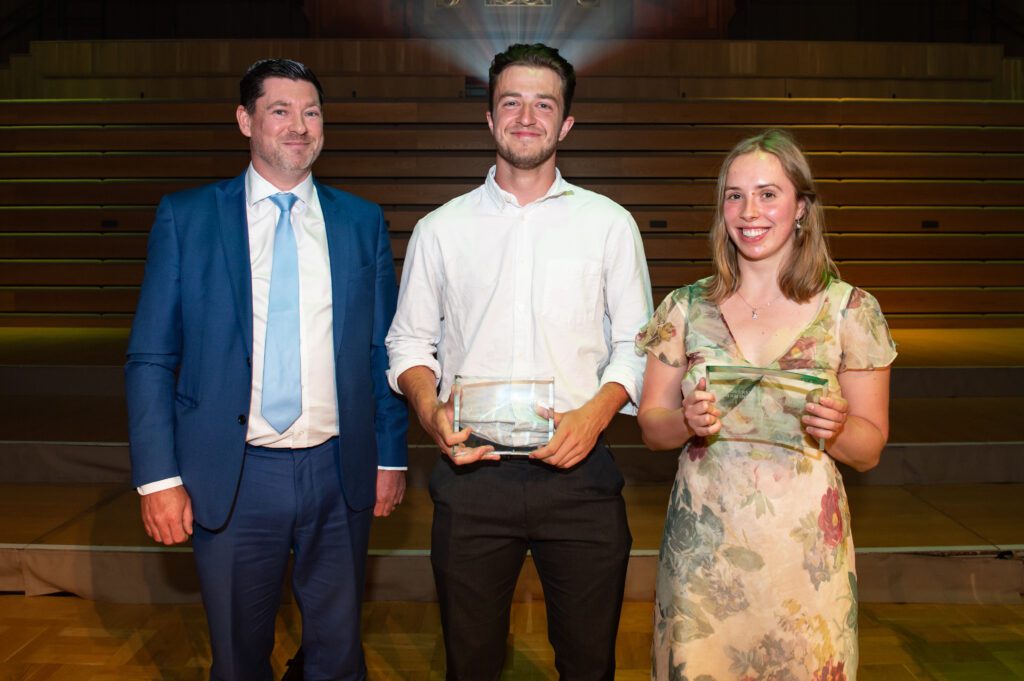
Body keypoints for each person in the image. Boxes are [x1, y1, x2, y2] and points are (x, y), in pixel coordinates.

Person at [125, 58, 407, 681]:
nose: (299, 126)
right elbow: (151, 356)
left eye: (311, 112)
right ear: (245, 121)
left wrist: (390, 455)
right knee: (237, 655)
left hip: (339, 471)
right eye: (280, 110)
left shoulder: (360, 221)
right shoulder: (187, 217)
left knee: (338, 655)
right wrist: (157, 477)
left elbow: (381, 349)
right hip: (230, 474)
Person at [385, 43, 653, 680]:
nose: (526, 116)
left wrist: (593, 416)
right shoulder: (440, 229)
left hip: (580, 474)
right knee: (470, 665)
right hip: (472, 470)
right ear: (489, 119)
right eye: (511, 102)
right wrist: (429, 410)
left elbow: (639, 344)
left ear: (565, 124)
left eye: (543, 104)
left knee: (589, 665)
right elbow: (408, 344)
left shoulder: (610, 225)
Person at [635, 129, 895, 680]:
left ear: (801, 207)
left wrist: (839, 425)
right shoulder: (684, 307)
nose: (749, 210)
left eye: (768, 193)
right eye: (734, 195)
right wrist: (684, 421)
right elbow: (651, 427)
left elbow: (869, 450)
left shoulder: (852, 310)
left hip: (805, 562)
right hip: (703, 562)